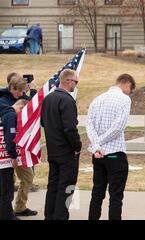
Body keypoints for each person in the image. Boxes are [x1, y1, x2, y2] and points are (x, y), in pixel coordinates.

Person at [86, 74, 136, 220]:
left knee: (97, 193)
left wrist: (96, 145)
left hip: (98, 154)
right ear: (127, 85)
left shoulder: (97, 99)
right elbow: (117, 128)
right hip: (115, 154)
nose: (130, 93)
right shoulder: (124, 99)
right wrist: (99, 143)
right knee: (116, 196)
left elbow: (89, 125)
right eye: (130, 90)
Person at [41, 69, 82, 220]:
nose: (75, 86)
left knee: (53, 185)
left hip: (52, 150)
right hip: (66, 153)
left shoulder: (48, 98)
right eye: (75, 82)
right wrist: (77, 146)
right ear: (67, 81)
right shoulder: (66, 100)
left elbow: (43, 123)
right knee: (66, 187)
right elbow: (70, 128)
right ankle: (61, 216)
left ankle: (49, 215)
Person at [0, 75, 38, 216]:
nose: (22, 94)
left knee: (27, 177)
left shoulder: (20, 99)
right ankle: (6, 212)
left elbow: (32, 106)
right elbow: (8, 132)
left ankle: (19, 207)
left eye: (24, 91)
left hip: (19, 148)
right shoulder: (4, 104)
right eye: (20, 91)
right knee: (7, 184)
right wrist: (12, 155)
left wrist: (32, 91)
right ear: (11, 88)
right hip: (8, 151)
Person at [0, 99, 28, 220]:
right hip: (5, 160)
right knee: (7, 189)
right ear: (21, 108)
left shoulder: (4, 111)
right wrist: (13, 156)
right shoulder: (11, 115)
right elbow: (10, 138)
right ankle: (7, 216)